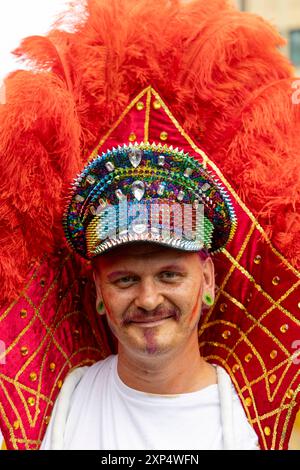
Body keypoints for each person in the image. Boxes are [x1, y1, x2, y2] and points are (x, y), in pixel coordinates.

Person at [0, 0, 299, 451]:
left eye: (170, 274)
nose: (148, 299)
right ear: (99, 292)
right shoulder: (55, 413)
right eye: (125, 279)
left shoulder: (270, 423)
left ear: (208, 280)